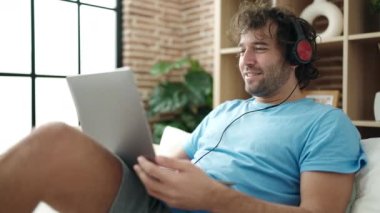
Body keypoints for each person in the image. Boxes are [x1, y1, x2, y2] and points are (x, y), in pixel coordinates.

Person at [0, 1, 366, 213]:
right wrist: (126, 153)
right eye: (241, 49)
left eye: (259, 48)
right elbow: (172, 164)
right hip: (157, 204)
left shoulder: (327, 124)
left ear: (296, 56)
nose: (245, 59)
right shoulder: (225, 112)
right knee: (52, 142)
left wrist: (215, 197)